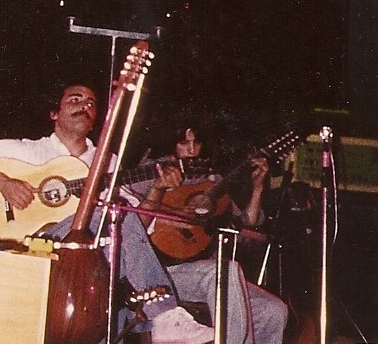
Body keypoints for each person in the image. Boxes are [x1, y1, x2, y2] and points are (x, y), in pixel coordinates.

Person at [0, 82, 215, 343]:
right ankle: (165, 315)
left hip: (93, 266)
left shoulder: (107, 162)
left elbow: (134, 226)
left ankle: (154, 321)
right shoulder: (26, 151)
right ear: (54, 113)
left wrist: (157, 189)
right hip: (38, 249)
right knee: (103, 214)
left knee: (113, 218)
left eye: (91, 103)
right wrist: (4, 182)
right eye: (75, 100)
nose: (85, 106)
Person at [124, 123, 289, 343]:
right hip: (161, 272)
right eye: (184, 143)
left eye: (197, 143)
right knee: (224, 271)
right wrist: (170, 215)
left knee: (273, 310)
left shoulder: (210, 178)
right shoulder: (153, 171)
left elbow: (246, 225)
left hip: (203, 270)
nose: (192, 150)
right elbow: (130, 218)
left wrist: (257, 187)